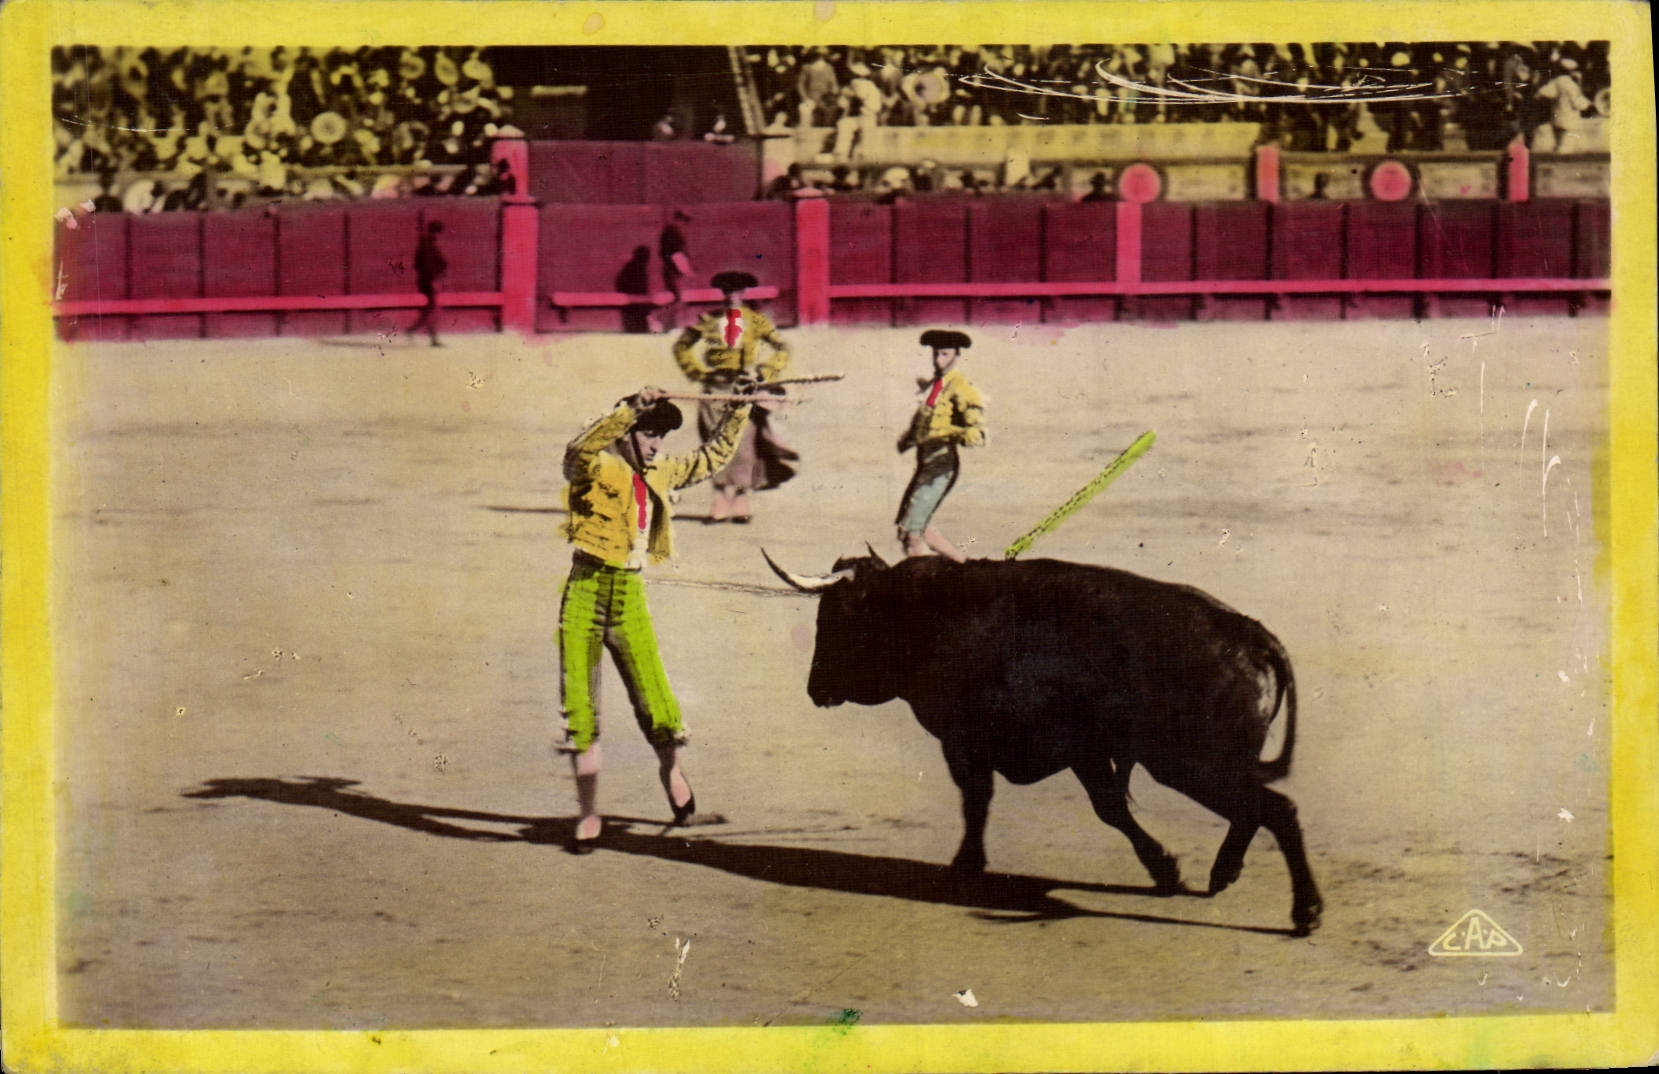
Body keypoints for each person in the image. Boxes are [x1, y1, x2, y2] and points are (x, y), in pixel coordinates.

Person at [556, 386, 752, 853]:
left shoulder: (662, 471)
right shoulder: (597, 466)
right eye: (649, 433)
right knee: (580, 707)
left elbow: (711, 458)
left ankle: (675, 783)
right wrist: (630, 408)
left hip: (628, 596)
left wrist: (739, 408)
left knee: (656, 699)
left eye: (661, 436)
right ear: (626, 433)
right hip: (584, 593)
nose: (656, 444)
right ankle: (587, 817)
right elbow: (577, 449)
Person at [671, 270, 796, 523]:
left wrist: (766, 371)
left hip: (743, 387)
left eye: (737, 292)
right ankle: (720, 497)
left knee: (744, 445)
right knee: (714, 441)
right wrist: (697, 373)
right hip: (714, 389)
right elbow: (681, 346)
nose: (732, 297)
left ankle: (740, 498)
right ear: (722, 294)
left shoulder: (756, 321)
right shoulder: (708, 320)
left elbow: (783, 347)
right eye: (727, 292)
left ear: (744, 294)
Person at [895, 329, 986, 562]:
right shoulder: (935, 386)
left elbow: (976, 431)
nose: (938, 360)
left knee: (911, 532)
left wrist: (956, 434)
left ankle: (921, 584)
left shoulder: (961, 387)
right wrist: (907, 439)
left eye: (945, 354)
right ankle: (966, 567)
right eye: (936, 354)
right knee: (917, 526)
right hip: (925, 463)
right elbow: (923, 423)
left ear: (956, 355)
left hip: (941, 464)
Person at [409, 219, 447, 347]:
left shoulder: (427, 244)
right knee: (434, 309)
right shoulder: (427, 245)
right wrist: (432, 280)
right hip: (430, 280)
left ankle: (412, 330)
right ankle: (433, 338)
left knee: (430, 308)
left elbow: (418, 264)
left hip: (428, 280)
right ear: (436, 232)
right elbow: (426, 265)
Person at [657, 210, 693, 332]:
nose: (683, 224)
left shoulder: (670, 232)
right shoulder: (673, 233)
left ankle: (670, 324)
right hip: (674, 271)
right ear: (678, 220)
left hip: (671, 270)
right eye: (682, 221)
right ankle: (672, 325)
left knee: (674, 298)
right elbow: (676, 255)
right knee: (677, 298)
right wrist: (686, 270)